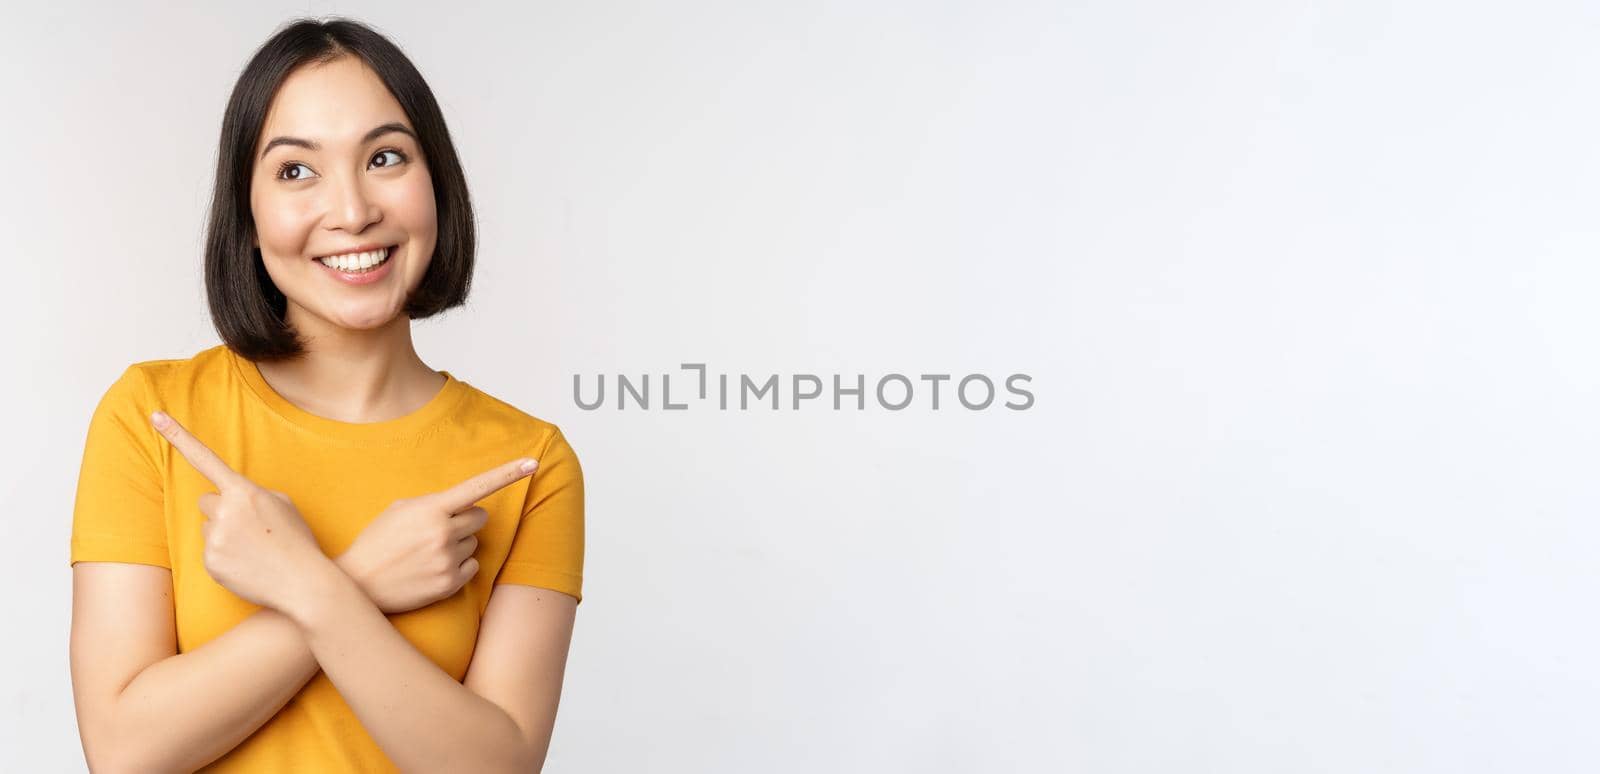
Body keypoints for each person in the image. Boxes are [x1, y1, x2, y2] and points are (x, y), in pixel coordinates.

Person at [67, 16, 584, 773]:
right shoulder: (154, 417)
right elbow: (123, 752)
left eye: (384, 158)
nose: (351, 211)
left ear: (436, 181)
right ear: (245, 215)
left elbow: (495, 766)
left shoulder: (527, 463)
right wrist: (362, 578)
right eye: (296, 171)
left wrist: (312, 588)